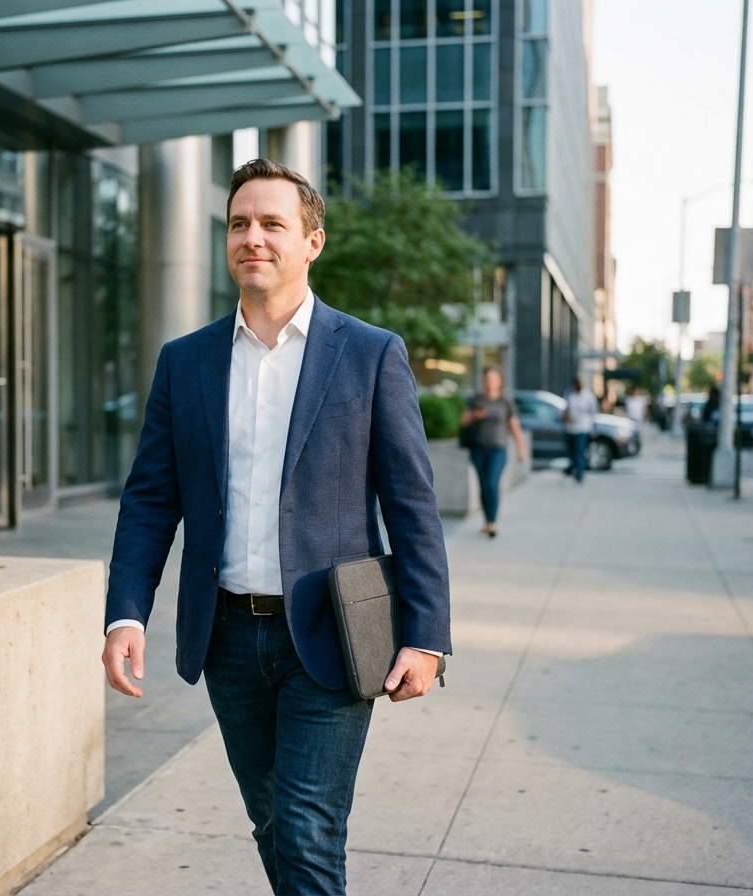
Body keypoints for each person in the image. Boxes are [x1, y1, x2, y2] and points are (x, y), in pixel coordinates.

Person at [101, 159, 451, 895]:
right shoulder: (185, 361)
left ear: (312, 241)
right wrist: (126, 611)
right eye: (238, 223)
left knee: (306, 826)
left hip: (329, 634)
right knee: (272, 824)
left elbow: (414, 506)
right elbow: (150, 500)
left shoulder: (369, 354)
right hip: (227, 637)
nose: (252, 237)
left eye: (271, 223)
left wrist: (426, 636)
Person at [460, 367, 527, 537]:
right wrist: (475, 416)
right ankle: (487, 521)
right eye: (487, 379)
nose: (490, 382)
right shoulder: (476, 400)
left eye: (493, 378)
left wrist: (521, 450)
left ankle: (492, 522)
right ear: (484, 381)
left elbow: (514, 427)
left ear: (499, 381)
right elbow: (463, 421)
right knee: (484, 486)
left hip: (498, 450)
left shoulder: (505, 402)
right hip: (478, 450)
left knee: (492, 483)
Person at [563, 376, 599, 484]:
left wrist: (593, 428)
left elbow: (594, 412)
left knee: (580, 451)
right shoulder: (570, 395)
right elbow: (566, 409)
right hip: (571, 428)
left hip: (583, 427)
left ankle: (579, 474)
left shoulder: (588, 396)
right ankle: (573, 468)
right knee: (572, 451)